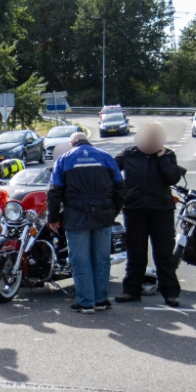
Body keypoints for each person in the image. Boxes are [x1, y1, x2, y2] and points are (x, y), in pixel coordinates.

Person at [47, 131, 125, 313]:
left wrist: (53, 218)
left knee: (81, 260)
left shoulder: (64, 160)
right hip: (103, 217)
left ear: (71, 143)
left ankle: (86, 303)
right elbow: (121, 187)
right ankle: (101, 300)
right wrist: (112, 211)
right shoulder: (106, 157)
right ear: (87, 141)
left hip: (76, 217)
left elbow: (54, 191)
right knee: (102, 259)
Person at [114, 122, 186, 307]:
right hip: (135, 209)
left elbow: (173, 178)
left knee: (164, 255)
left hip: (162, 210)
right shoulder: (128, 153)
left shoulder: (167, 154)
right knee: (135, 253)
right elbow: (110, 170)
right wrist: (119, 195)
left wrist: (162, 158)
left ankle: (171, 293)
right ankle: (131, 291)